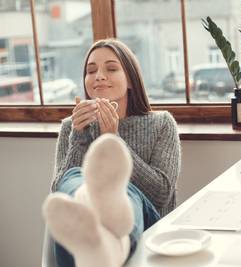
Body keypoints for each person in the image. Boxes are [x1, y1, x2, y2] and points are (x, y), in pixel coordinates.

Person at [42, 39, 181, 267]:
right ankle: (101, 246)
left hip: (148, 230)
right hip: (89, 225)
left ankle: (108, 220)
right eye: (91, 70)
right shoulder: (71, 126)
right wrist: (79, 136)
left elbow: (161, 194)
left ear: (131, 81)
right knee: (76, 177)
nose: (99, 76)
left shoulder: (162, 124)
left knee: (120, 187)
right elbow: (61, 191)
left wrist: (114, 140)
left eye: (111, 68)